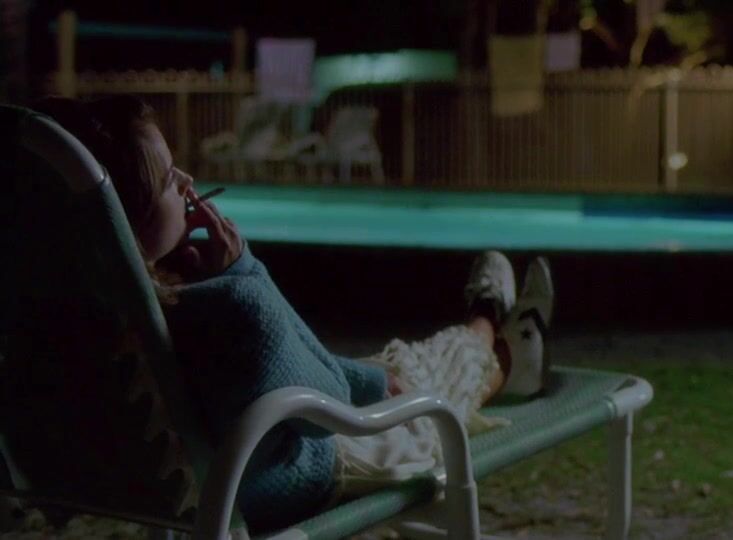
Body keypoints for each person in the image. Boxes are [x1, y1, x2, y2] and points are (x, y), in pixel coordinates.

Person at [32, 95, 555, 532]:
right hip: (307, 469)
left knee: (392, 367)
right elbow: (323, 402)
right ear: (129, 216)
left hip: (183, 478)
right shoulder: (227, 311)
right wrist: (244, 269)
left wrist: (371, 379)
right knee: (430, 379)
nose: (188, 181)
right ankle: (495, 329)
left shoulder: (79, 312)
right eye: (170, 180)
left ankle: (495, 335)